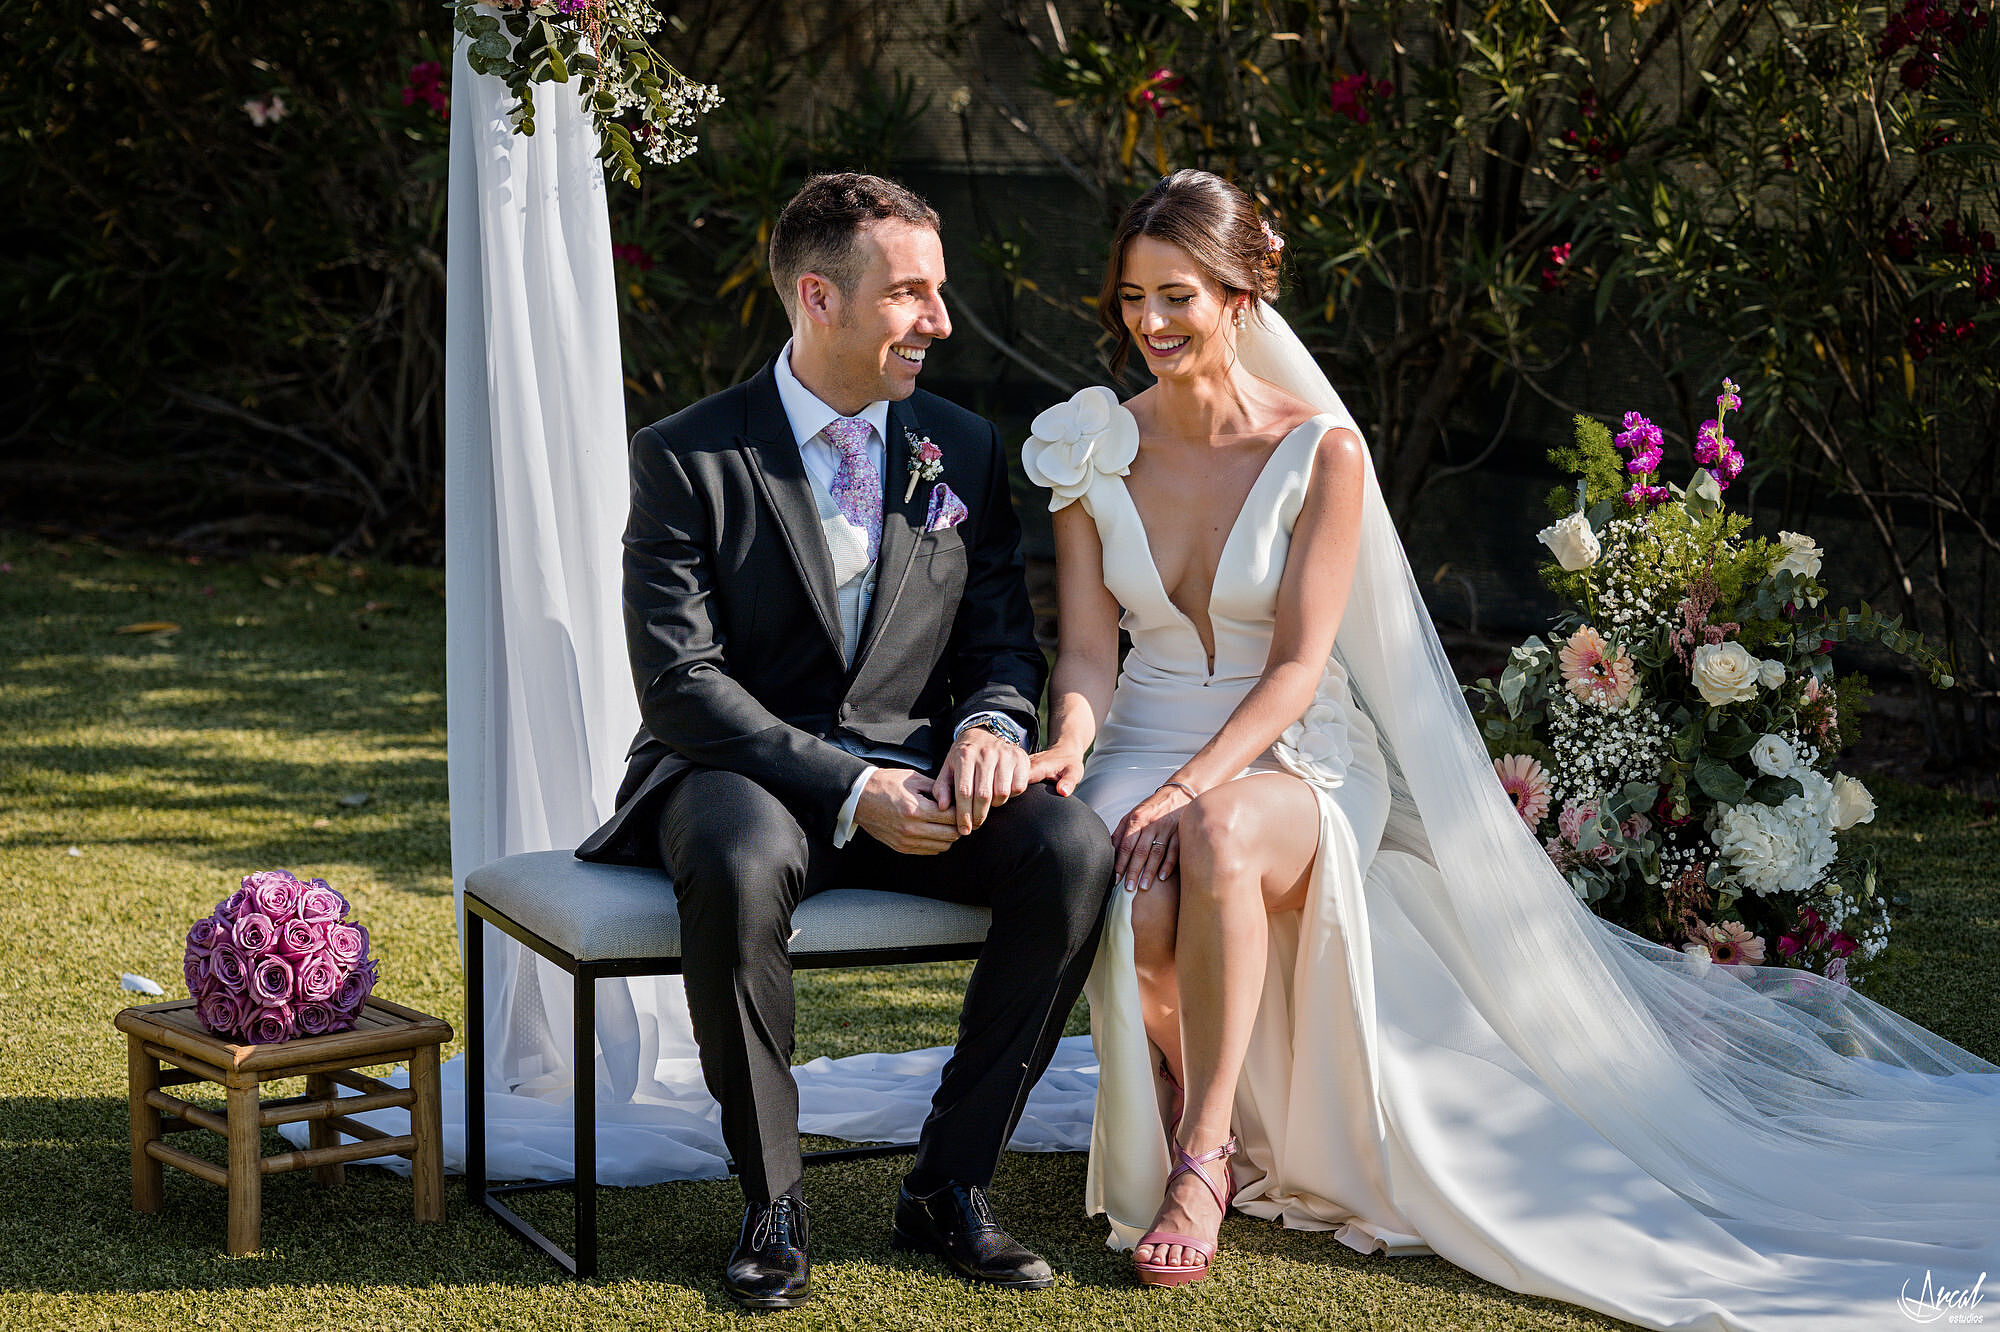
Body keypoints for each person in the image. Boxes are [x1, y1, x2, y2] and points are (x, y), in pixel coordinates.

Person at [1024, 168, 2000, 1327]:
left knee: (1218, 840)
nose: (1150, 324)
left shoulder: (1318, 452)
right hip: (1144, 726)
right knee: (1116, 884)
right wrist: (1072, 746)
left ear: (1242, 296)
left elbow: (1294, 669)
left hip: (1289, 745)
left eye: (1176, 295)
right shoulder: (1087, 447)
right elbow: (1085, 654)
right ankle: (1179, 1080)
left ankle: (1200, 1157)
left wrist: (1189, 787)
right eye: (1132, 297)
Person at [577, 172, 1114, 1310]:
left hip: (923, 779)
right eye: (910, 295)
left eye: (939, 293)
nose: (940, 322)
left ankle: (948, 1186)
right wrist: (851, 783)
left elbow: (1002, 645)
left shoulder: (960, 447)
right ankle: (771, 1203)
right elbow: (681, 683)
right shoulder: (686, 455)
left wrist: (985, 728)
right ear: (818, 298)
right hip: (741, 775)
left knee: (1069, 849)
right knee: (733, 860)